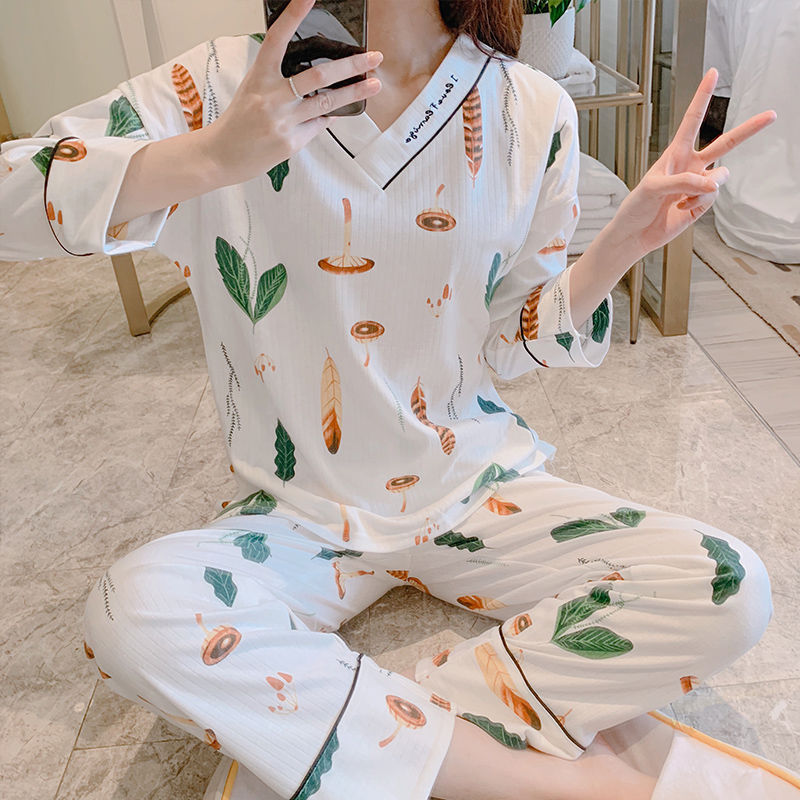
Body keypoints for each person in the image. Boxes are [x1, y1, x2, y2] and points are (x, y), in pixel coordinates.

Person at [0, 0, 783, 798]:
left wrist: (621, 245)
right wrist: (208, 157)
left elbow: (506, 345)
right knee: (131, 611)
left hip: (476, 488)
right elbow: (11, 192)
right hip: (297, 515)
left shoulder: (529, 109)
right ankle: (528, 782)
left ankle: (352, 737)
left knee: (725, 584)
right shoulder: (225, 84)